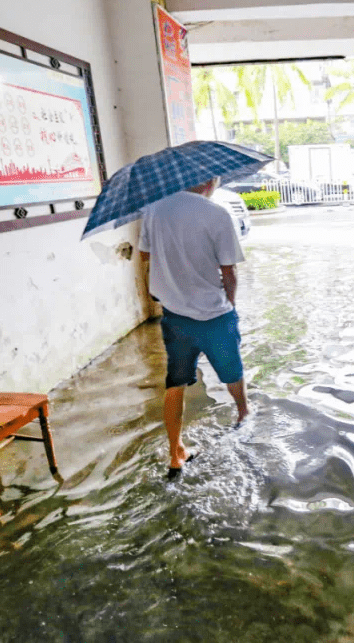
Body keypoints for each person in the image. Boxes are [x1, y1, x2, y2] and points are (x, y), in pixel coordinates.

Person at [138, 176, 249, 479]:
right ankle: (243, 416)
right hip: (215, 314)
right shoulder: (217, 213)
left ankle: (176, 453)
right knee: (233, 371)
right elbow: (229, 270)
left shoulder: (153, 210)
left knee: (175, 383)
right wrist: (232, 304)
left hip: (175, 316)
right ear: (210, 180)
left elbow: (145, 256)